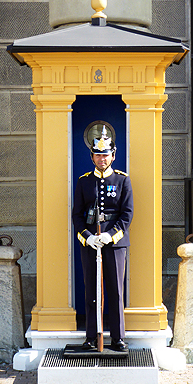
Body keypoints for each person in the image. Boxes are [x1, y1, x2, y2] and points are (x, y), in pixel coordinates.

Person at [72, 126, 134, 351]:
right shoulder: (84, 181)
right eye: (98, 155)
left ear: (113, 155)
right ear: (92, 157)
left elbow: (127, 214)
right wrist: (87, 237)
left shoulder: (122, 181)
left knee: (116, 291)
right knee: (92, 291)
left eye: (105, 154)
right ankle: (90, 336)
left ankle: (117, 338)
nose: (102, 159)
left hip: (115, 244)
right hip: (90, 244)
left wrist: (110, 235)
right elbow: (77, 215)